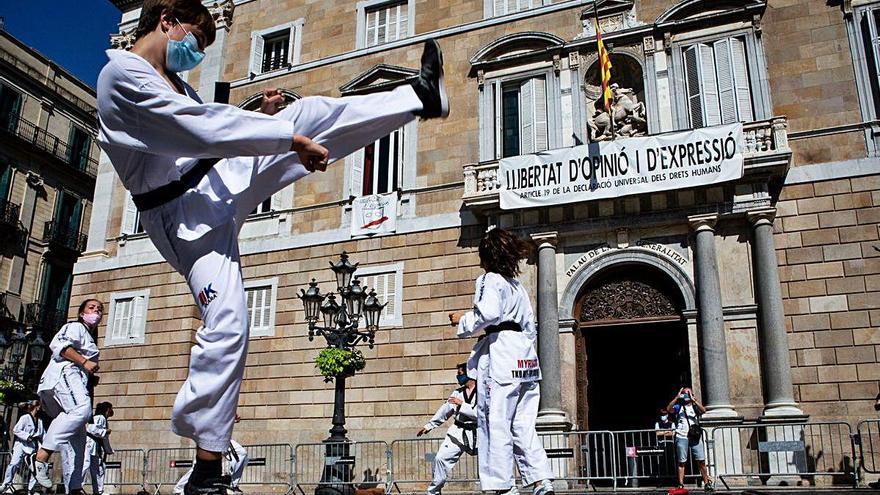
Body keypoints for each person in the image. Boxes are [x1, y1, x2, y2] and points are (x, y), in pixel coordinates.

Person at [96, 1, 447, 492]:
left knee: (309, 111)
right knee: (229, 323)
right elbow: (195, 128)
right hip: (182, 215)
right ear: (166, 21)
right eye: (195, 40)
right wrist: (286, 140)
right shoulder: (122, 78)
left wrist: (262, 118)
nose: (196, 53)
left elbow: (205, 123)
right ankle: (207, 467)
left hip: (213, 183)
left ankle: (418, 96)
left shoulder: (170, 80)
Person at [450, 228, 554, 495]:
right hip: (526, 362)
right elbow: (530, 327)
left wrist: (462, 321)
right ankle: (541, 481)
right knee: (522, 425)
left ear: (487, 256)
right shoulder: (517, 286)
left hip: (501, 359)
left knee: (494, 422)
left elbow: (489, 312)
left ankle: (502, 487)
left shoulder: (489, 279)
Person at [32, 299, 103, 494]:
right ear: (81, 313)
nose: (96, 311)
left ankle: (74, 487)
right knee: (81, 410)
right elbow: (59, 346)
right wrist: (84, 362)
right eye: (92, 308)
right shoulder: (75, 326)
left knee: (77, 438)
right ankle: (41, 456)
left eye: (99, 310)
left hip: (72, 380)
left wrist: (89, 375)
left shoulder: (88, 335)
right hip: (65, 374)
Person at [416, 363, 477, 495]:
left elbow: (481, 413)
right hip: (457, 433)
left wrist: (462, 405)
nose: (458, 377)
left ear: (469, 374)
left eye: (460, 374)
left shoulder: (483, 392)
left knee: (491, 463)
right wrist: (429, 426)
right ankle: (434, 492)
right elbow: (444, 411)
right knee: (440, 459)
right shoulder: (457, 393)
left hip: (479, 434)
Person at [173, 415, 250, 495]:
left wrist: (229, 418)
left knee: (241, 453)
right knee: (199, 465)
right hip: (210, 434)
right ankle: (179, 489)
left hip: (219, 436)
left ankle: (232, 485)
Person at [666, 387, 713, 492]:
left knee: (701, 460)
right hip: (681, 436)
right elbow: (669, 409)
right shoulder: (679, 407)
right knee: (681, 461)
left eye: (688, 393)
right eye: (684, 393)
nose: (686, 395)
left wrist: (694, 400)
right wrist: (676, 397)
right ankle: (681, 484)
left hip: (694, 436)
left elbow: (703, 410)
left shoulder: (695, 407)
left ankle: (706, 483)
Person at [0, 401, 43, 494]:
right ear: (36, 407)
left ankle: (31, 489)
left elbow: (43, 435)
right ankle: (5, 485)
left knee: (35, 468)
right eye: (39, 406)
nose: (41, 408)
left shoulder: (40, 421)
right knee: (14, 464)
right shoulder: (25, 418)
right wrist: (27, 436)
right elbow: (16, 430)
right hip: (21, 444)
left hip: (33, 446)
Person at [83, 402, 115, 495]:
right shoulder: (99, 418)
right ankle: (76, 488)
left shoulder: (102, 419)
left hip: (95, 446)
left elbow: (104, 439)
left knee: (99, 469)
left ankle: (98, 491)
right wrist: (105, 431)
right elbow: (91, 429)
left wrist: (108, 450)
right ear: (108, 410)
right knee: (86, 465)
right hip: (90, 444)